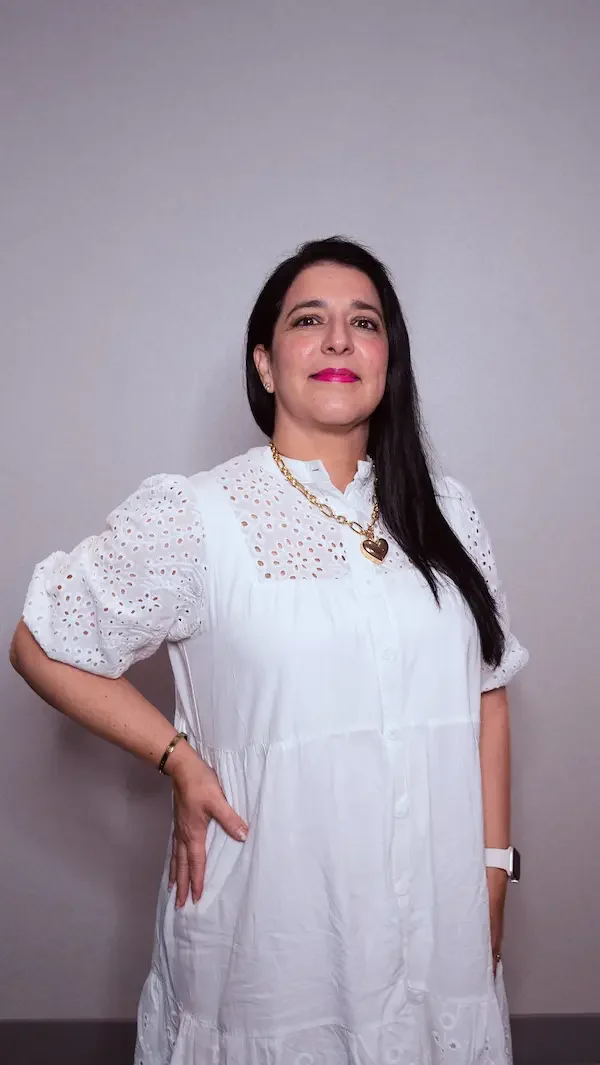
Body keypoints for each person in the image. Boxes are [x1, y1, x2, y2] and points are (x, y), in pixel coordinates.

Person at [11, 236, 529, 1065]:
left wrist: (495, 874)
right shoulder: (198, 516)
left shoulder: (448, 515)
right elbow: (41, 642)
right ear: (264, 361)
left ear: (387, 360)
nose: (336, 340)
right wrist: (177, 757)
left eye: (363, 322)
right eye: (308, 320)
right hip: (272, 943)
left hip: (440, 937)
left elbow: (487, 693)